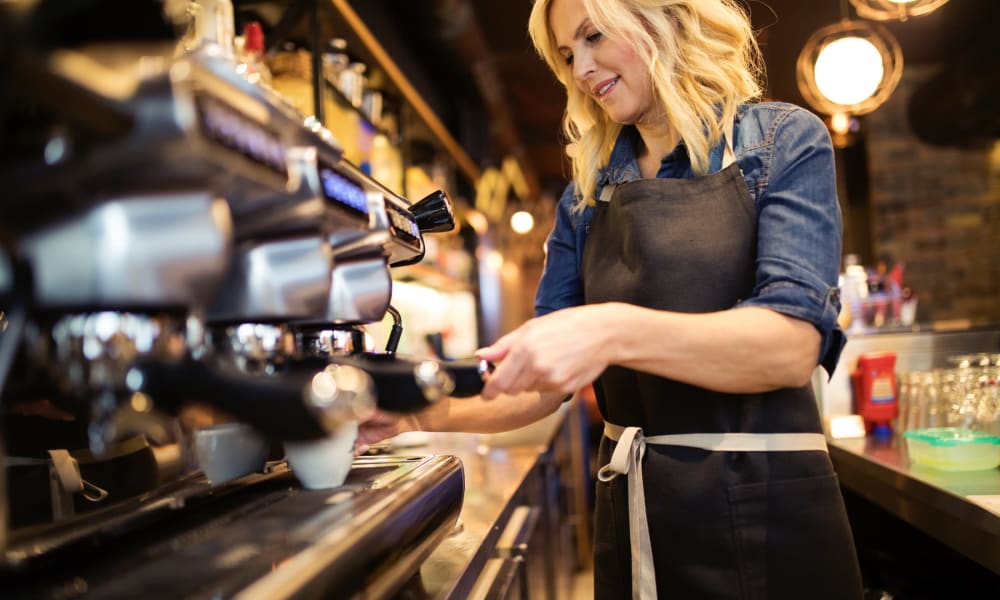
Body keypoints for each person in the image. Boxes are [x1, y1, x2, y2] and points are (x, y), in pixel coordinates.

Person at [359, 0, 864, 597]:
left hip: (767, 516)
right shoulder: (587, 192)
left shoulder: (781, 141)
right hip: (635, 515)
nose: (581, 70)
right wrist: (416, 413)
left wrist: (609, 331)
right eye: (568, 54)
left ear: (668, 18)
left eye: (595, 36)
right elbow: (543, 383)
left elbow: (788, 346)